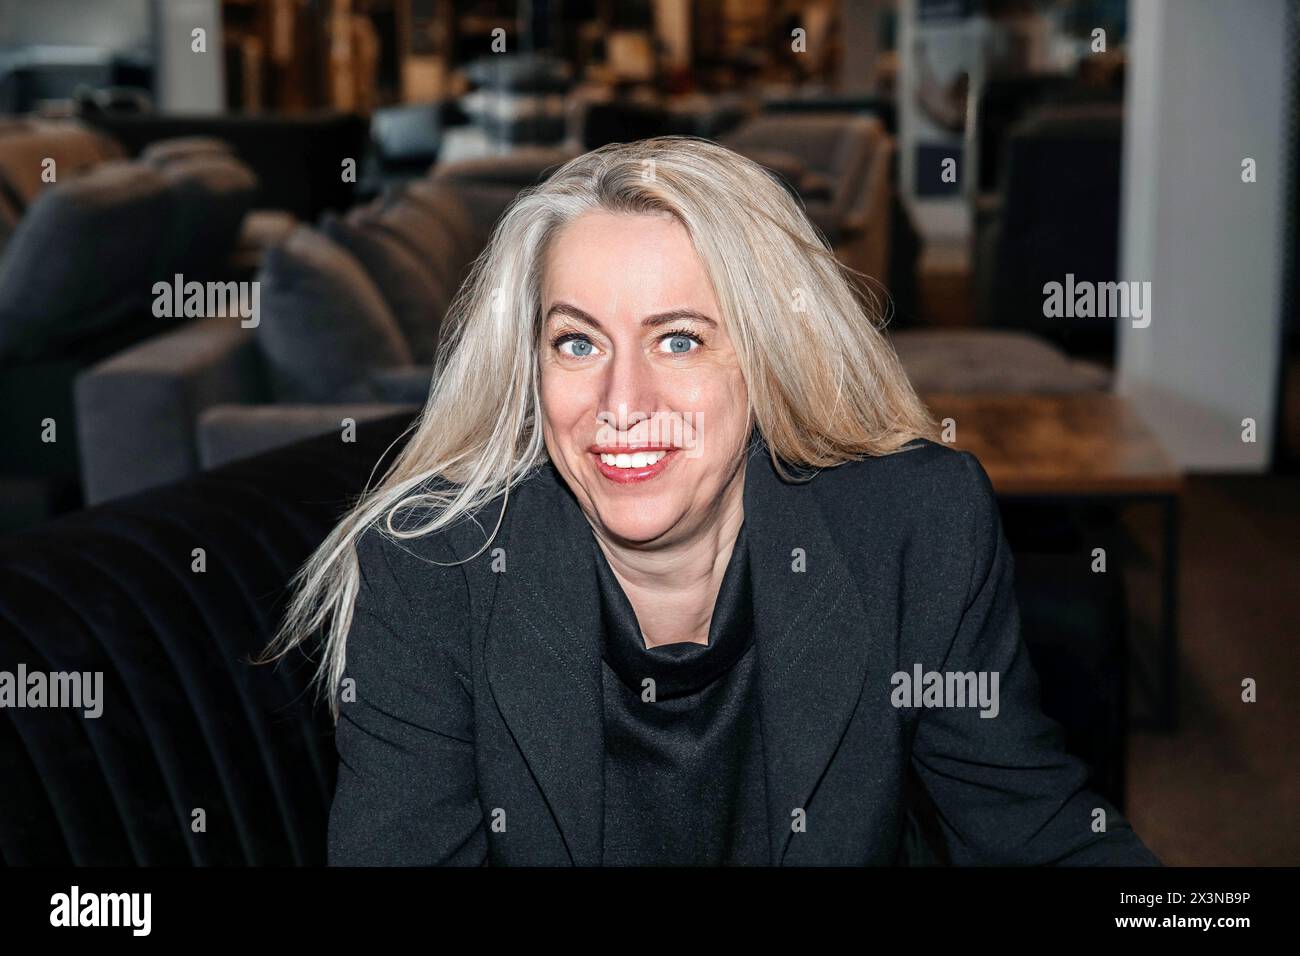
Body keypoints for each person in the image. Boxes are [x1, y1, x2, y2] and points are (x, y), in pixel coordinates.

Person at [262, 136, 1160, 866]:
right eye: (577, 344)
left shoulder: (912, 524)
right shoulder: (431, 569)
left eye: (680, 340)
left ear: (769, 360)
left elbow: (1034, 832)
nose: (621, 403)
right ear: (531, 370)